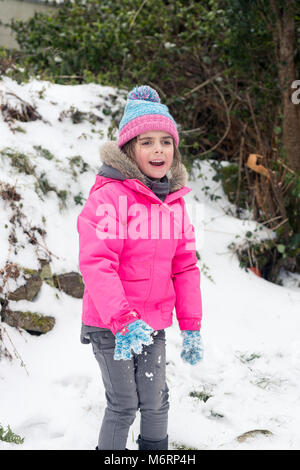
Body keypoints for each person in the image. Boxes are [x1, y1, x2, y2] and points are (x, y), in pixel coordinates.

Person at [77, 85, 203, 451]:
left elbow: (186, 267)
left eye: (166, 140)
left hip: (154, 322)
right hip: (110, 323)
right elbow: (98, 262)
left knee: (156, 400)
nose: (158, 149)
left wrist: (192, 325)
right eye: (146, 141)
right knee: (124, 404)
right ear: (129, 149)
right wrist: (122, 318)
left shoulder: (175, 204)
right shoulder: (109, 198)